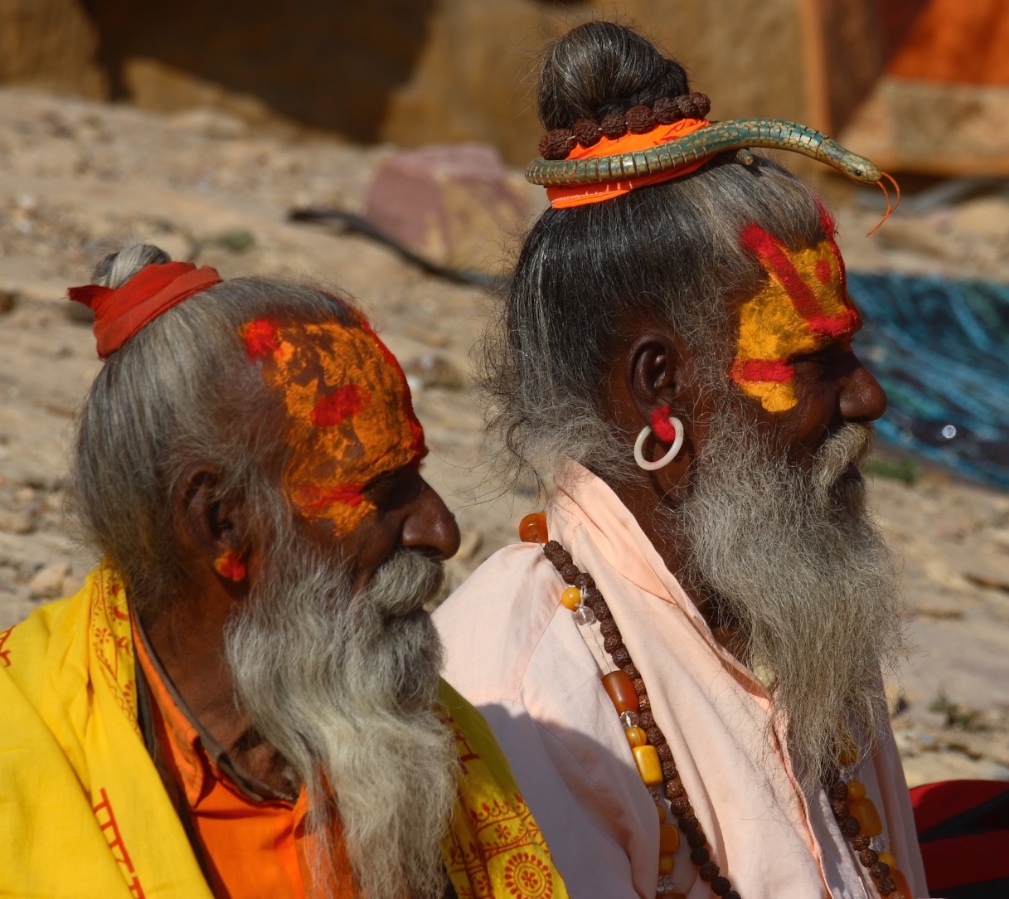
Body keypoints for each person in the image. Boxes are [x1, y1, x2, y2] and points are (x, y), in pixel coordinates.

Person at [435, 21, 928, 899]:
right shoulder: (530, 684)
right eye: (818, 362)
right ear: (659, 390)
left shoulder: (803, 608)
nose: (867, 400)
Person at [0, 246, 567, 899]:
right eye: (382, 490)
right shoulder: (23, 749)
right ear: (221, 522)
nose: (441, 532)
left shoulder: (422, 734)